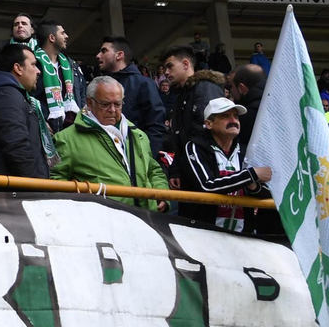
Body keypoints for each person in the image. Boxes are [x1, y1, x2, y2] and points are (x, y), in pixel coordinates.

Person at [53, 76, 168, 210]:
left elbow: (153, 170)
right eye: (105, 104)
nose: (113, 110)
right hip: (102, 224)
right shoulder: (66, 139)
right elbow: (56, 180)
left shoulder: (138, 135)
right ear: (90, 103)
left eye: (117, 104)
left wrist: (163, 194)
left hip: (146, 220)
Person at [174, 96, 272, 232]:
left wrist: (252, 185)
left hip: (243, 236)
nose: (234, 121)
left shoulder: (246, 151)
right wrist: (250, 175)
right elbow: (207, 185)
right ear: (209, 124)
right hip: (202, 235)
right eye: (226, 116)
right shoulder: (194, 148)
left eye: (236, 117)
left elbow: (269, 193)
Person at [0, 42, 50, 179]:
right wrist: (36, 185)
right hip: (9, 193)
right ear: (18, 68)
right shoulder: (6, 96)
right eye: (33, 64)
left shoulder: (10, 94)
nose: (38, 71)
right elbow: (16, 146)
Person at [95, 35, 166, 152]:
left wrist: (145, 159)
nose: (98, 56)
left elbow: (156, 125)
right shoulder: (98, 86)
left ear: (119, 55)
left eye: (104, 51)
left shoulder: (143, 84)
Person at [161, 44, 227, 153]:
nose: (166, 72)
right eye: (165, 68)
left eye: (170, 66)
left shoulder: (205, 88)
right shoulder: (181, 95)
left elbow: (207, 131)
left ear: (185, 64)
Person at [231, 63, 266, 150]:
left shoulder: (248, 115)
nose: (229, 90)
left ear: (242, 88)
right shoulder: (280, 105)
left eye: (230, 86)